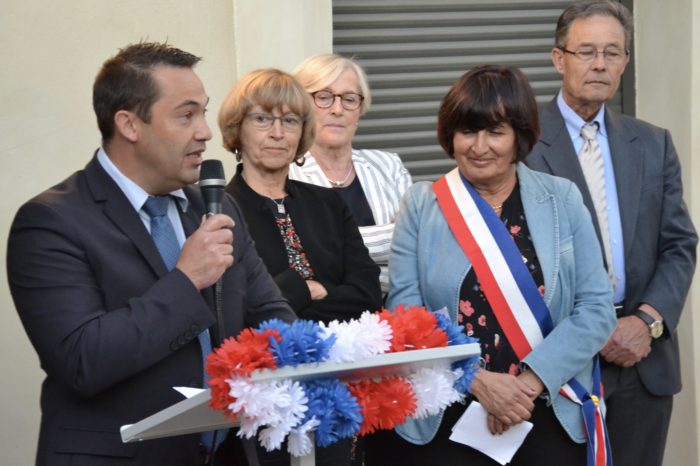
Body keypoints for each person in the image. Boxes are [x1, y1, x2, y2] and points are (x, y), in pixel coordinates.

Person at [6, 42, 296, 466]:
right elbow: (82, 362)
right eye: (186, 114)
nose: (205, 131)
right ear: (129, 124)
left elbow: (273, 315)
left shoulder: (215, 206)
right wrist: (186, 279)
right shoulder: (51, 222)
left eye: (203, 112)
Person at [365, 65, 616, 466]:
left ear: (520, 137)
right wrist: (479, 382)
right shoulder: (422, 205)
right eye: (468, 131)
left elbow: (596, 309)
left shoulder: (562, 199)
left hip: (547, 406)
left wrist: (526, 386)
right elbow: (405, 315)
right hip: (452, 411)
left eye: (495, 132)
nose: (479, 146)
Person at [525, 2, 698, 465]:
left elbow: (680, 244)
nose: (599, 63)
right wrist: (590, 329)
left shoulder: (653, 142)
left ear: (625, 61)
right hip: (560, 361)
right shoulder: (522, 143)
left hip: (644, 360)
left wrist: (646, 321)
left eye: (612, 52)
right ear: (559, 58)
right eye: (586, 51)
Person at [218, 68, 382, 464]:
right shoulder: (219, 211)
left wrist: (281, 304)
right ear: (238, 130)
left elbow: (367, 295)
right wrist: (305, 288)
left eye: (290, 120)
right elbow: (234, 316)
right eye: (262, 119)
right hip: (258, 403)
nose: (278, 132)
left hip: (338, 392)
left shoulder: (328, 203)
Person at [289, 53, 412, 294]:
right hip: (324, 319)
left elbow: (417, 249)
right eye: (323, 97)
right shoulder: (286, 176)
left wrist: (329, 251)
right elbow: (299, 260)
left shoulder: (389, 166)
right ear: (301, 106)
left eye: (349, 99)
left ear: (360, 108)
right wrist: (393, 235)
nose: (337, 109)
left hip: (395, 313)